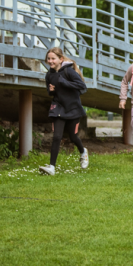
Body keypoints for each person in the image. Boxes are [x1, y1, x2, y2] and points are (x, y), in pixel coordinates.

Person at [39, 47, 89, 176]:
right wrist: (51, 91)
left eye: (53, 58)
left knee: (73, 137)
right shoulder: (49, 74)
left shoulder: (69, 72)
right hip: (58, 107)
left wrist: (64, 82)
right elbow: (50, 92)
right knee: (56, 137)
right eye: (48, 59)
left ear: (60, 59)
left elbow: (82, 87)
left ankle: (83, 152)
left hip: (72, 108)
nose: (50, 61)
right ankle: (52, 167)